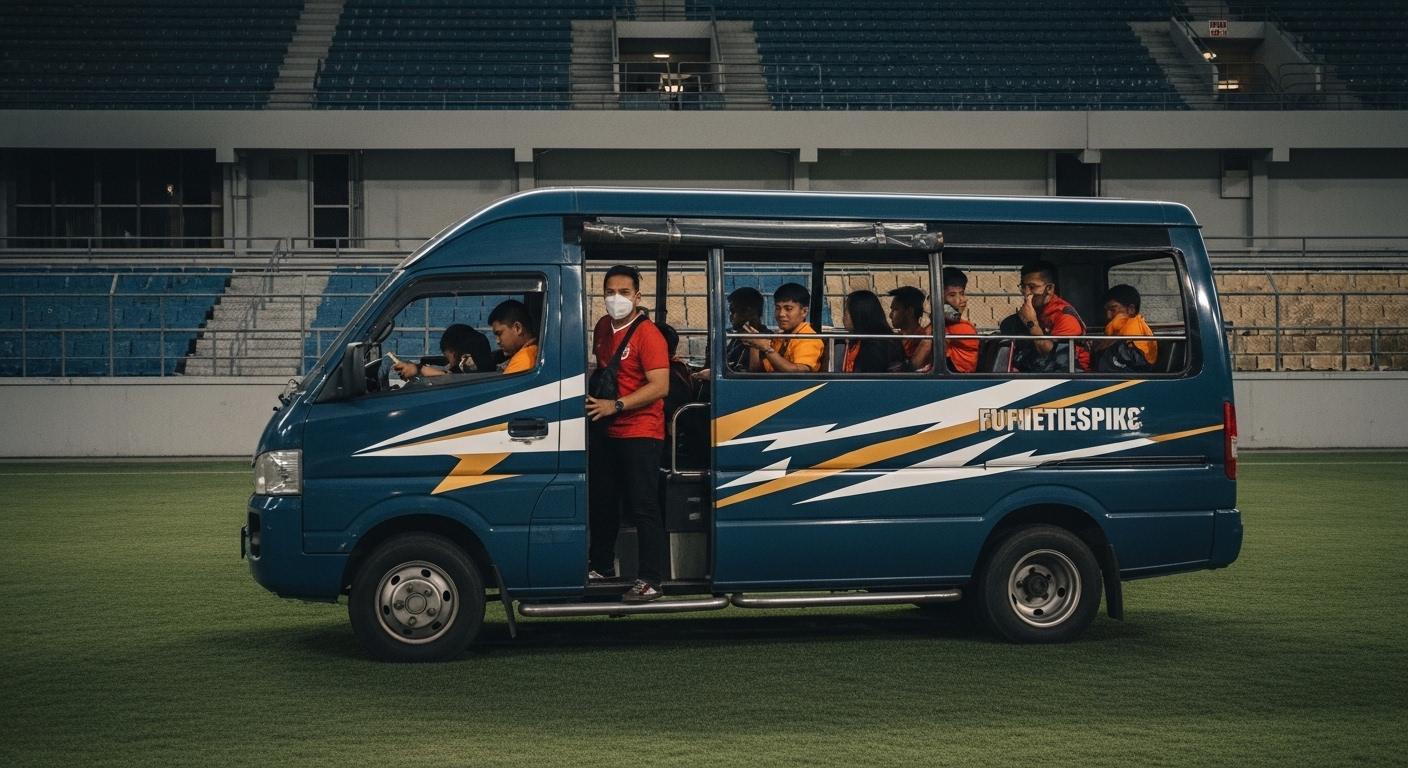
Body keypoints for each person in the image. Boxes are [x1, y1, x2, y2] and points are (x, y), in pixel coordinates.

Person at [585, 264, 671, 603]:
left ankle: (651, 578)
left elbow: (660, 386)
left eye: (623, 292)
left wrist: (616, 405)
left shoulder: (649, 335)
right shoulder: (603, 327)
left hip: (641, 431)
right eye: (609, 291)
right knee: (603, 500)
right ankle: (602, 566)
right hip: (607, 428)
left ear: (637, 296)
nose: (615, 298)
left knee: (643, 505)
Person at [1002, 260, 1091, 372]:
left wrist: (1031, 323)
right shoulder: (1037, 311)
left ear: (1049, 289)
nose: (1026, 292)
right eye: (1023, 286)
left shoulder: (1066, 318)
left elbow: (1054, 358)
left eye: (1032, 287)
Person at [747, 282, 823, 373]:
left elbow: (798, 373)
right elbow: (756, 372)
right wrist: (754, 344)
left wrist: (767, 349)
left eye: (788, 309)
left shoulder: (809, 338)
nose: (781, 314)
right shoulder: (781, 337)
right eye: (778, 308)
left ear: (804, 312)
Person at [391, 323, 493, 381]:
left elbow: (453, 379)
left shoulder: (476, 378)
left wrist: (418, 369)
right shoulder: (487, 369)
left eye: (449, 358)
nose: (450, 365)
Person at [1096, 283, 1158, 370]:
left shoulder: (1133, 332)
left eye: (1113, 310)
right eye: (1106, 311)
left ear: (1131, 309)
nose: (1108, 316)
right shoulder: (1120, 328)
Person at [840, 290, 904, 373]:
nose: (843, 317)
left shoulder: (876, 347)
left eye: (846, 312)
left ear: (857, 314)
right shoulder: (859, 340)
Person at [939, 268, 980, 373]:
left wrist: (933, 308)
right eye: (952, 295)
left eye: (961, 293)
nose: (959, 300)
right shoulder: (944, 324)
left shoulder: (964, 328)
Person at [886, 285, 933, 372]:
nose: (890, 315)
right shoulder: (897, 338)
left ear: (909, 311)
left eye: (895, 309)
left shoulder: (921, 339)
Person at [487, 299, 539, 374]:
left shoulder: (523, 359)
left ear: (517, 328)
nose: (497, 341)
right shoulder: (533, 351)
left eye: (499, 333)